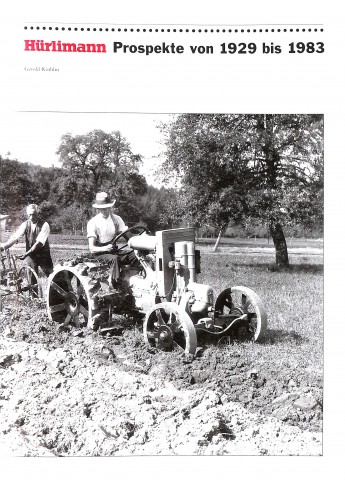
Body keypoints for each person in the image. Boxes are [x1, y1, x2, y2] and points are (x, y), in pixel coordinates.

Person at [0, 203, 54, 276]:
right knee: (31, 279)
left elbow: (39, 243)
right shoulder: (25, 224)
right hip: (31, 255)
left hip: (43, 254)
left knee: (51, 276)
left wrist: (26, 253)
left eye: (34, 214)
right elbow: (15, 237)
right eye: (30, 215)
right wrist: (4, 247)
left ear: (38, 213)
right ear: (27, 214)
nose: (31, 217)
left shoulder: (45, 225)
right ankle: (33, 287)